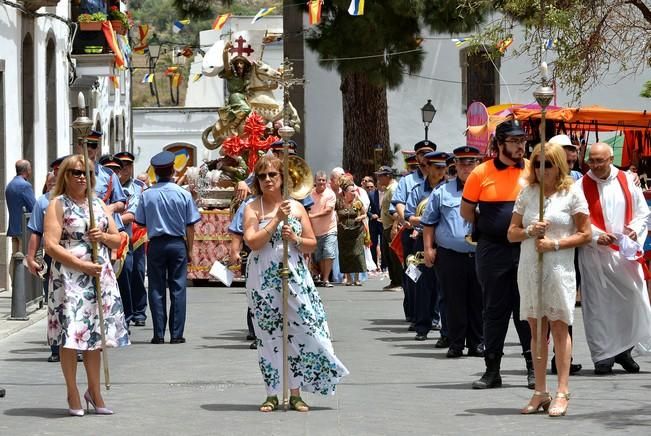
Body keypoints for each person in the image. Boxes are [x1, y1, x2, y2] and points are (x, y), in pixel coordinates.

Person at [242, 155, 349, 412]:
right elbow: (252, 242)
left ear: (282, 179)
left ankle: (296, 392)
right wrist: (277, 221)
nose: (267, 180)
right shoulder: (253, 208)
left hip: (295, 275)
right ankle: (272, 393)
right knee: (268, 335)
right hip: (263, 279)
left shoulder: (297, 207)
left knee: (303, 329)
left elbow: (312, 242)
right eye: (262, 176)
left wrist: (297, 240)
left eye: (272, 175)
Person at [507, 143, 591, 416]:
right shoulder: (528, 193)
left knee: (558, 328)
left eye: (548, 164)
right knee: (536, 331)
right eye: (537, 164)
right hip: (531, 269)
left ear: (559, 166)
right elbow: (511, 233)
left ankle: (562, 391)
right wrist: (530, 230)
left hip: (558, 269)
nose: (542, 170)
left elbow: (585, 234)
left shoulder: (571, 193)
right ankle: (540, 391)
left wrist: (555, 244)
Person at [43, 155, 129, 416]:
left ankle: (95, 391)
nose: (82, 177)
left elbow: (118, 240)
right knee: (70, 336)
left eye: (88, 173)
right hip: (69, 278)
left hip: (99, 277)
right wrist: (80, 265)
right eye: (76, 172)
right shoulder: (58, 204)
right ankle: (72, 392)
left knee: (96, 337)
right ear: (65, 176)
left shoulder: (99, 204)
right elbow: (51, 244)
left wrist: (101, 236)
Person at [460, 119, 534, 389]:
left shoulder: (533, 170)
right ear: (500, 144)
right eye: (514, 141)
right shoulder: (480, 172)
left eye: (522, 140)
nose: (520, 146)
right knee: (493, 309)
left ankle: (532, 368)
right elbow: (466, 212)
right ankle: (492, 370)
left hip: (526, 246)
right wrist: (488, 224)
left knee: (527, 310)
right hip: (492, 249)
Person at [576, 142, 651, 374]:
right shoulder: (580, 186)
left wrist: (633, 232)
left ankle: (624, 351)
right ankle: (603, 356)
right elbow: (576, 218)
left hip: (625, 254)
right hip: (595, 255)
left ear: (611, 159)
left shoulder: (628, 180)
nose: (596, 166)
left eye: (600, 161)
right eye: (592, 161)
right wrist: (596, 236)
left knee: (630, 301)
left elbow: (643, 213)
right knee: (599, 305)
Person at [422, 146, 484, 358]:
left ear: (478, 164)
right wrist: (428, 248)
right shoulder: (442, 191)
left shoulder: (486, 189)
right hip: (450, 255)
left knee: (479, 299)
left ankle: (476, 343)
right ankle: (456, 342)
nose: (467, 167)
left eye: (471, 162)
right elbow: (429, 223)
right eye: (462, 163)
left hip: (480, 254)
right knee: (452, 299)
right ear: (455, 165)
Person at [134, 151, 201, 344]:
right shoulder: (184, 194)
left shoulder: (147, 195)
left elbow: (141, 221)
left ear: (155, 171)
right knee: (178, 288)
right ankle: (177, 334)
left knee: (156, 288)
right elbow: (190, 224)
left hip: (156, 243)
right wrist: (189, 249)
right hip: (177, 243)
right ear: (172, 170)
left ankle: (158, 334)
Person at [547, 134, 584, 375]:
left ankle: (562, 359)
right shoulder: (539, 178)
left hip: (570, 249)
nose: (570, 156)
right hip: (544, 250)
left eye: (572, 152)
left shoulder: (579, 180)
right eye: (565, 151)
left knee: (565, 307)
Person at [404, 151, 448, 342]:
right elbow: (408, 216)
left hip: (444, 242)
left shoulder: (449, 189)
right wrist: (427, 219)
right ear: (428, 168)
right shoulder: (416, 191)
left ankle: (445, 328)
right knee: (422, 285)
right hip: (422, 241)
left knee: (445, 287)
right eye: (437, 167)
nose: (440, 171)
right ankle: (422, 326)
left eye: (443, 168)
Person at [392, 141, 435, 326]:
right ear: (416, 157)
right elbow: (398, 204)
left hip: (433, 235)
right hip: (411, 234)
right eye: (422, 153)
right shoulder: (407, 181)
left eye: (428, 153)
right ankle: (413, 311)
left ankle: (433, 314)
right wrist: (408, 221)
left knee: (434, 276)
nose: (425, 157)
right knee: (412, 274)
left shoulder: (440, 178)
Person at [25, 167, 58, 362]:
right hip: (51, 258)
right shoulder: (42, 202)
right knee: (53, 303)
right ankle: (55, 348)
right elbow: (35, 232)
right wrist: (31, 257)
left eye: (56, 181)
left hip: (77, 258)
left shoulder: (75, 200)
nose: (53, 185)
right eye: (50, 182)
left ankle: (76, 348)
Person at [115, 151, 148, 327]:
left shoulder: (138, 187)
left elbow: (132, 214)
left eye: (127, 166)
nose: (124, 169)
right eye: (121, 165)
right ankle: (124, 311)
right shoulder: (110, 186)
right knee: (124, 274)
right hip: (117, 237)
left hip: (135, 235)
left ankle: (139, 311)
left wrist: (109, 218)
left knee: (137, 272)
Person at [228, 195, 258, 349]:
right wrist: (234, 251)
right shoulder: (250, 204)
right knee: (254, 292)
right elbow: (237, 229)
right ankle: (255, 331)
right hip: (253, 252)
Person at [5, 159, 36, 280]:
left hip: (13, 228)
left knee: (14, 257)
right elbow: (34, 207)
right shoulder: (25, 185)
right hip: (24, 229)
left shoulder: (10, 185)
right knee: (24, 258)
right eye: (30, 168)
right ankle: (23, 288)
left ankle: (15, 284)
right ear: (27, 170)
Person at [336, 178, 367, 286]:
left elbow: (365, 214)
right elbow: (336, 216)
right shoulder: (339, 202)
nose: (354, 193)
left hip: (356, 231)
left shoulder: (358, 201)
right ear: (345, 192)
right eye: (352, 191)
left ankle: (357, 278)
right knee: (345, 253)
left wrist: (360, 217)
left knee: (357, 253)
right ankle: (348, 278)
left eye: (354, 191)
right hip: (343, 231)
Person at [309, 171, 337, 287]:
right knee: (319, 255)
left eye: (323, 180)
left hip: (329, 229)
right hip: (315, 230)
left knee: (328, 252)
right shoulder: (309, 193)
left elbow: (328, 210)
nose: (321, 182)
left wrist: (312, 216)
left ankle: (326, 279)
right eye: (319, 180)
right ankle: (322, 276)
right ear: (315, 181)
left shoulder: (330, 194)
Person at [376, 166, 402, 291]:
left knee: (394, 256)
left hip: (392, 226)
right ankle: (394, 280)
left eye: (381, 175)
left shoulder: (394, 189)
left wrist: (395, 226)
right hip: (386, 225)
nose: (378, 178)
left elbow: (398, 208)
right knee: (388, 255)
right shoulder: (387, 189)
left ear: (388, 176)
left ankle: (399, 282)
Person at [365, 177, 382, 270]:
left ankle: (384, 265)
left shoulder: (388, 193)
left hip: (384, 223)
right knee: (373, 244)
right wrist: (371, 215)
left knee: (384, 244)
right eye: (379, 183)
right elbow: (365, 209)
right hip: (374, 223)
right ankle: (374, 264)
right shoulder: (371, 195)